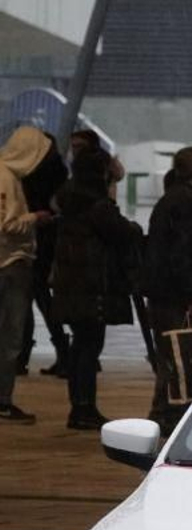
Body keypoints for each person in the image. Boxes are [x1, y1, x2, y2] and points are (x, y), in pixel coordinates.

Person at [50, 148, 143, 430]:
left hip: (71, 284)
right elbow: (123, 233)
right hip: (93, 286)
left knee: (80, 344)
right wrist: (135, 228)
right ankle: (84, 408)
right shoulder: (97, 205)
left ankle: (79, 406)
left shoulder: (69, 197)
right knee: (90, 346)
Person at [143, 146, 192, 431]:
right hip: (179, 297)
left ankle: (163, 412)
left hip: (163, 293)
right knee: (183, 355)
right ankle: (172, 414)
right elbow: (185, 254)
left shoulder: (171, 200)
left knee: (169, 355)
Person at [0, 125, 55, 423]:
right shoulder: (6, 178)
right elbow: (7, 225)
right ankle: (3, 400)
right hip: (10, 264)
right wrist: (36, 217)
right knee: (10, 337)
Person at [17, 134, 70, 378]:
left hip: (35, 244)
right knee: (42, 300)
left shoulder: (29, 175)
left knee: (29, 300)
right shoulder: (58, 172)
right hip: (49, 244)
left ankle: (22, 354)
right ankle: (62, 350)